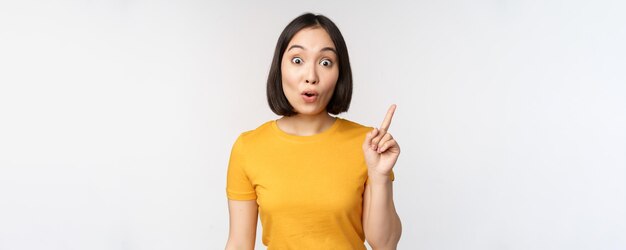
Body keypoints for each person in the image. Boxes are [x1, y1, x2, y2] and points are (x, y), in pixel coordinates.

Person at [225, 13, 402, 250]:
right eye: (297, 60)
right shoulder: (249, 147)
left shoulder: (368, 144)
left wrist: (379, 176)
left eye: (325, 62)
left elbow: (385, 244)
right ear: (280, 67)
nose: (311, 77)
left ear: (340, 73)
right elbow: (238, 244)